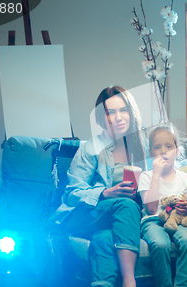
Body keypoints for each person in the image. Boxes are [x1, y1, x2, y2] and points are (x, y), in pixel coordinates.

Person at [50, 85, 148, 287]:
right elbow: (71, 194)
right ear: (101, 118)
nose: (119, 117)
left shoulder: (142, 146)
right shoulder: (90, 148)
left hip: (116, 222)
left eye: (123, 110)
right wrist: (105, 193)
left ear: (131, 113)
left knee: (103, 239)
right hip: (84, 214)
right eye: (110, 112)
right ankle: (130, 282)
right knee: (125, 205)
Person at [138, 125, 187, 287]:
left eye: (169, 146)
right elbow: (150, 209)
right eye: (157, 147)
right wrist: (156, 174)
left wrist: (186, 207)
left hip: (178, 221)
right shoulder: (146, 176)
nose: (163, 151)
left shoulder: (186, 178)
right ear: (150, 153)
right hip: (153, 220)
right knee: (160, 244)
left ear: (177, 151)